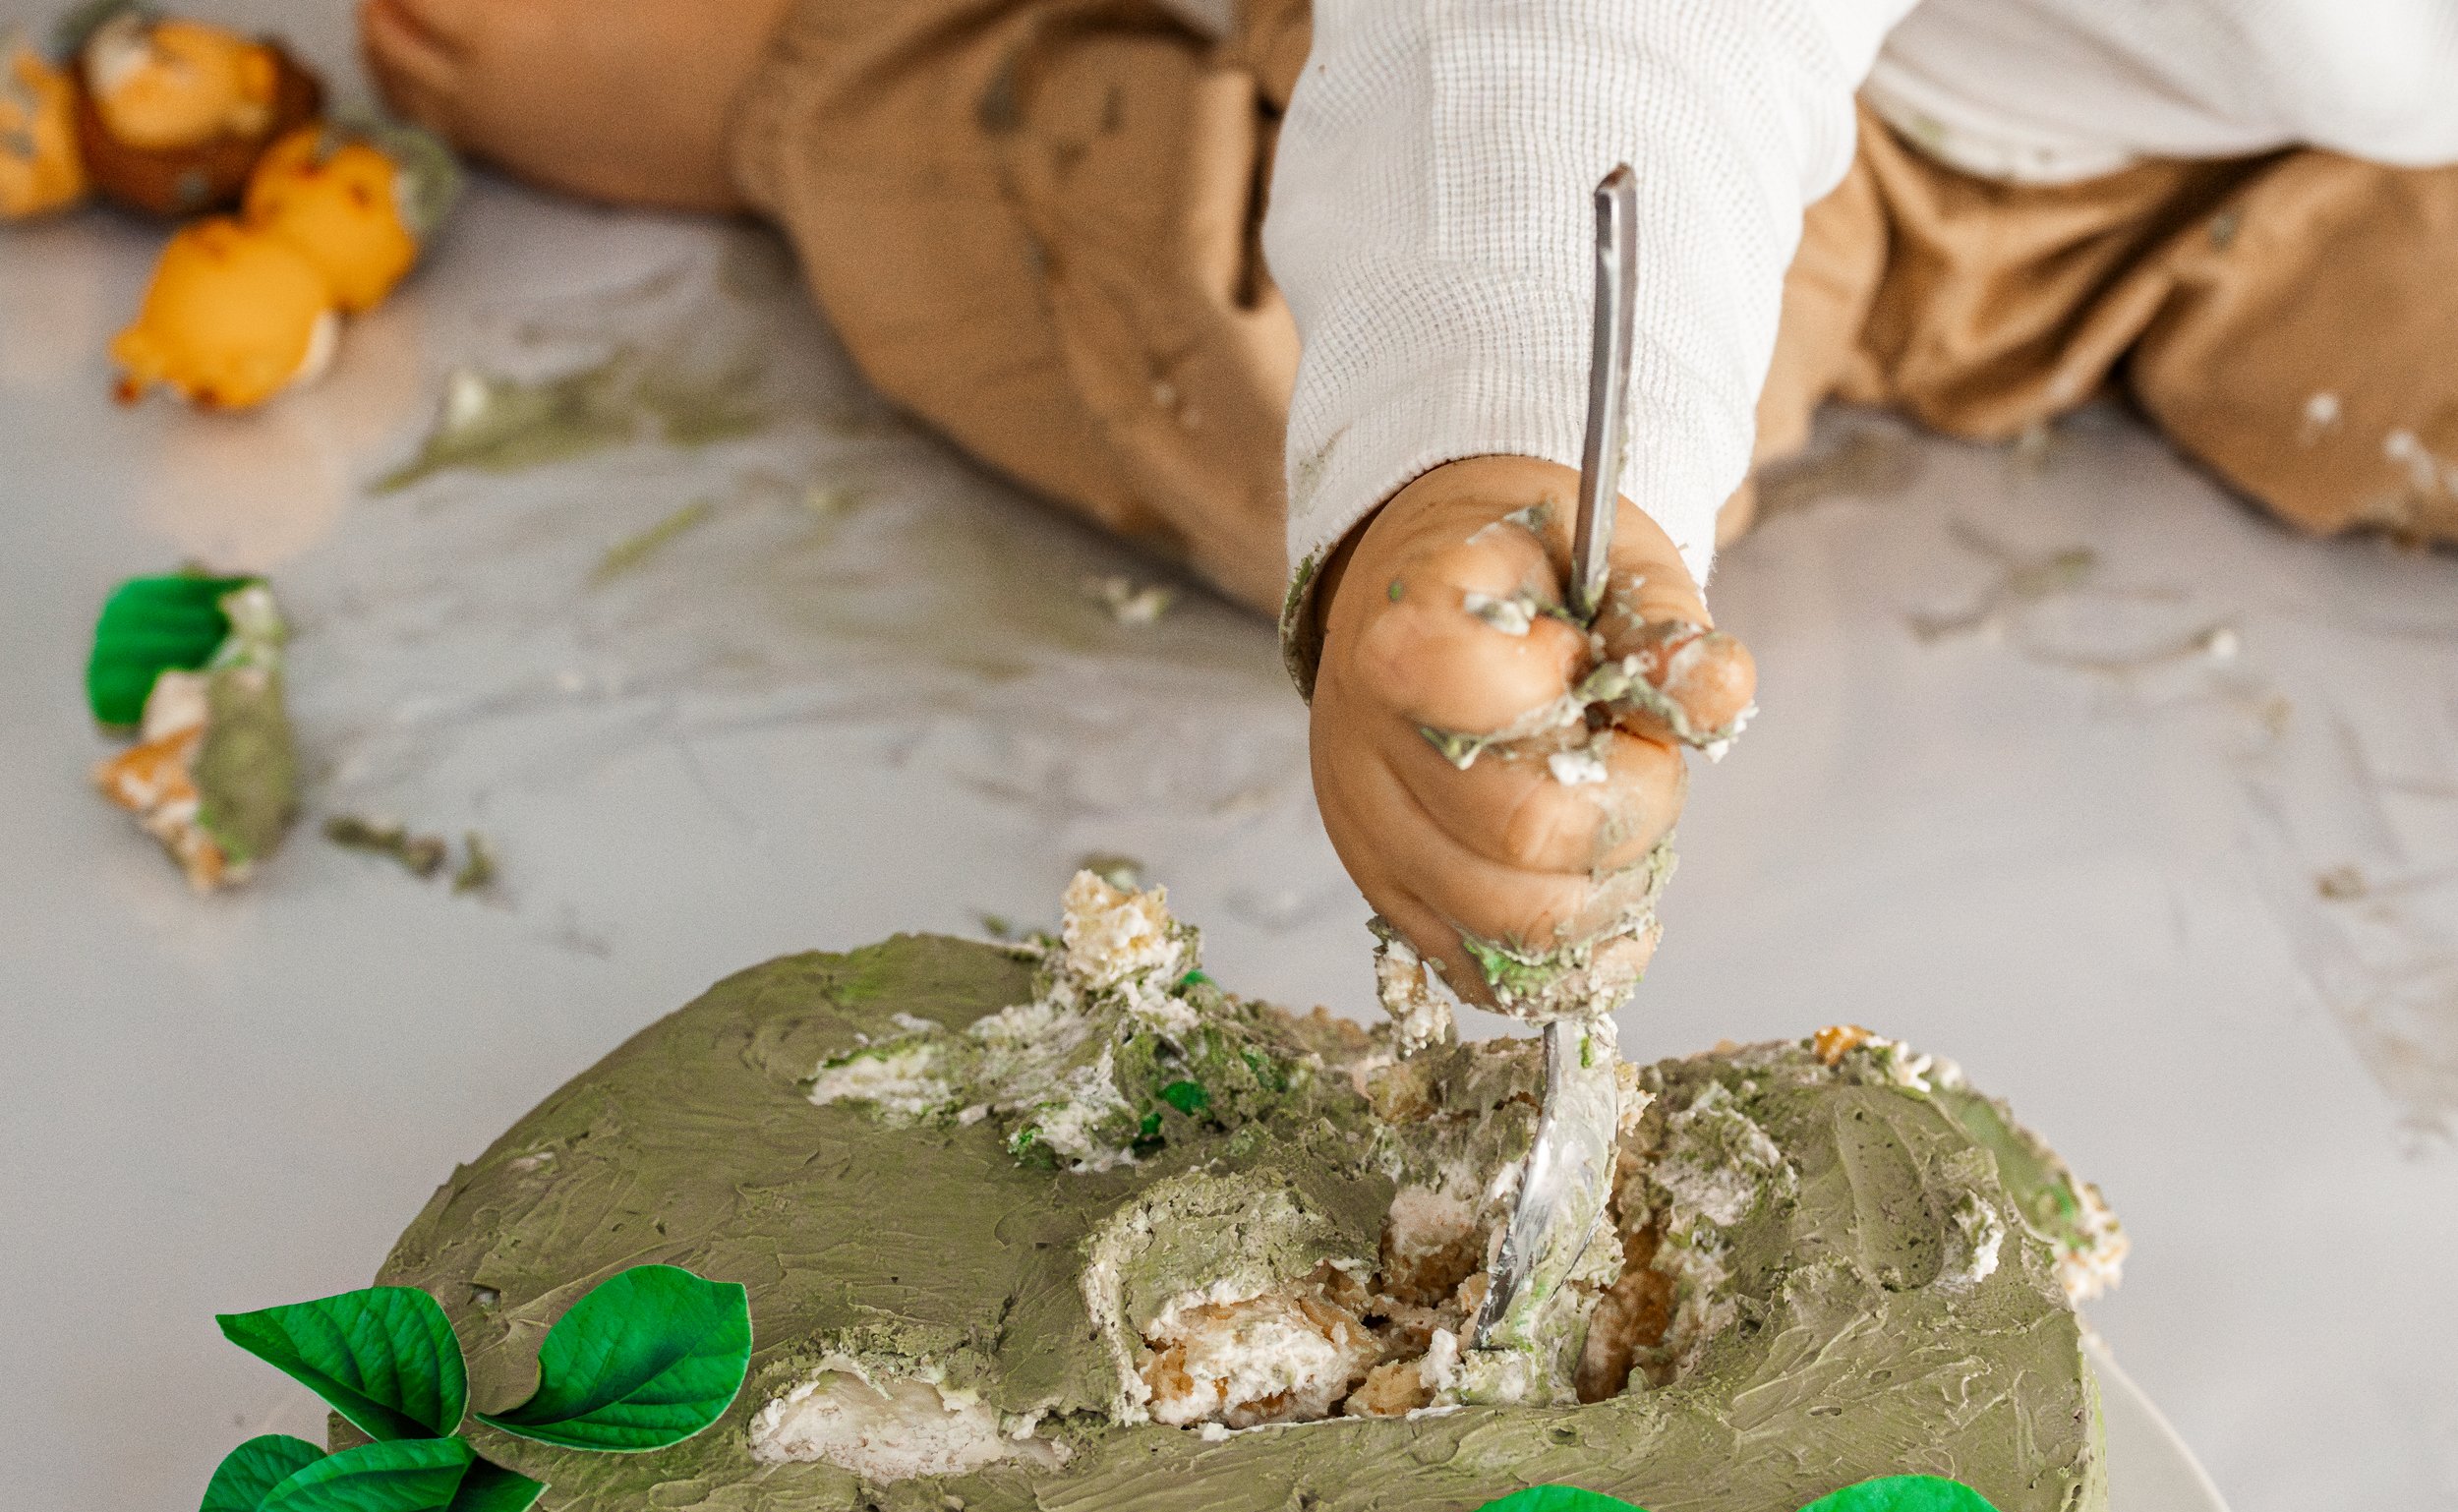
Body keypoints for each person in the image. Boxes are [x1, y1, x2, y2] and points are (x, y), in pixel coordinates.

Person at [360, 0, 2458, 1016]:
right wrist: (1505, 422)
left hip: (2288, 144)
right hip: (1719, 67)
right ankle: (837, 65)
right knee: (1272, 380)